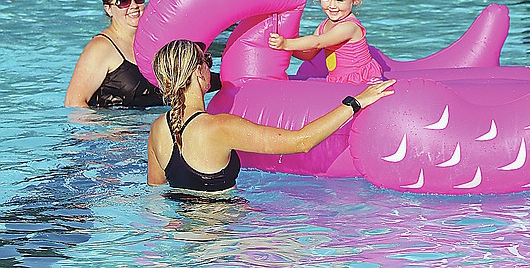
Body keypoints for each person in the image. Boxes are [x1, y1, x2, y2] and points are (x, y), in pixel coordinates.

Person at [147, 39, 395, 193]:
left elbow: (156, 193)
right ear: (198, 73)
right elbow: (301, 142)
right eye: (207, 61)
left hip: (181, 236)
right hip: (222, 240)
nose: (210, 68)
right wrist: (355, 102)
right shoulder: (220, 127)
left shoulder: (158, 128)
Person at [269, 0, 384, 84]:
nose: (332, 6)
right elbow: (309, 55)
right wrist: (284, 49)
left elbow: (317, 43)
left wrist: (286, 43)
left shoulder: (349, 27)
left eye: (339, 0)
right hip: (339, 80)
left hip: (362, 80)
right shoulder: (324, 25)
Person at [65, 0, 165, 108]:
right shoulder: (101, 48)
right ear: (108, 9)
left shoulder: (154, 41)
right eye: (123, 1)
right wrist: (108, 129)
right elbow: (73, 103)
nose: (134, 5)